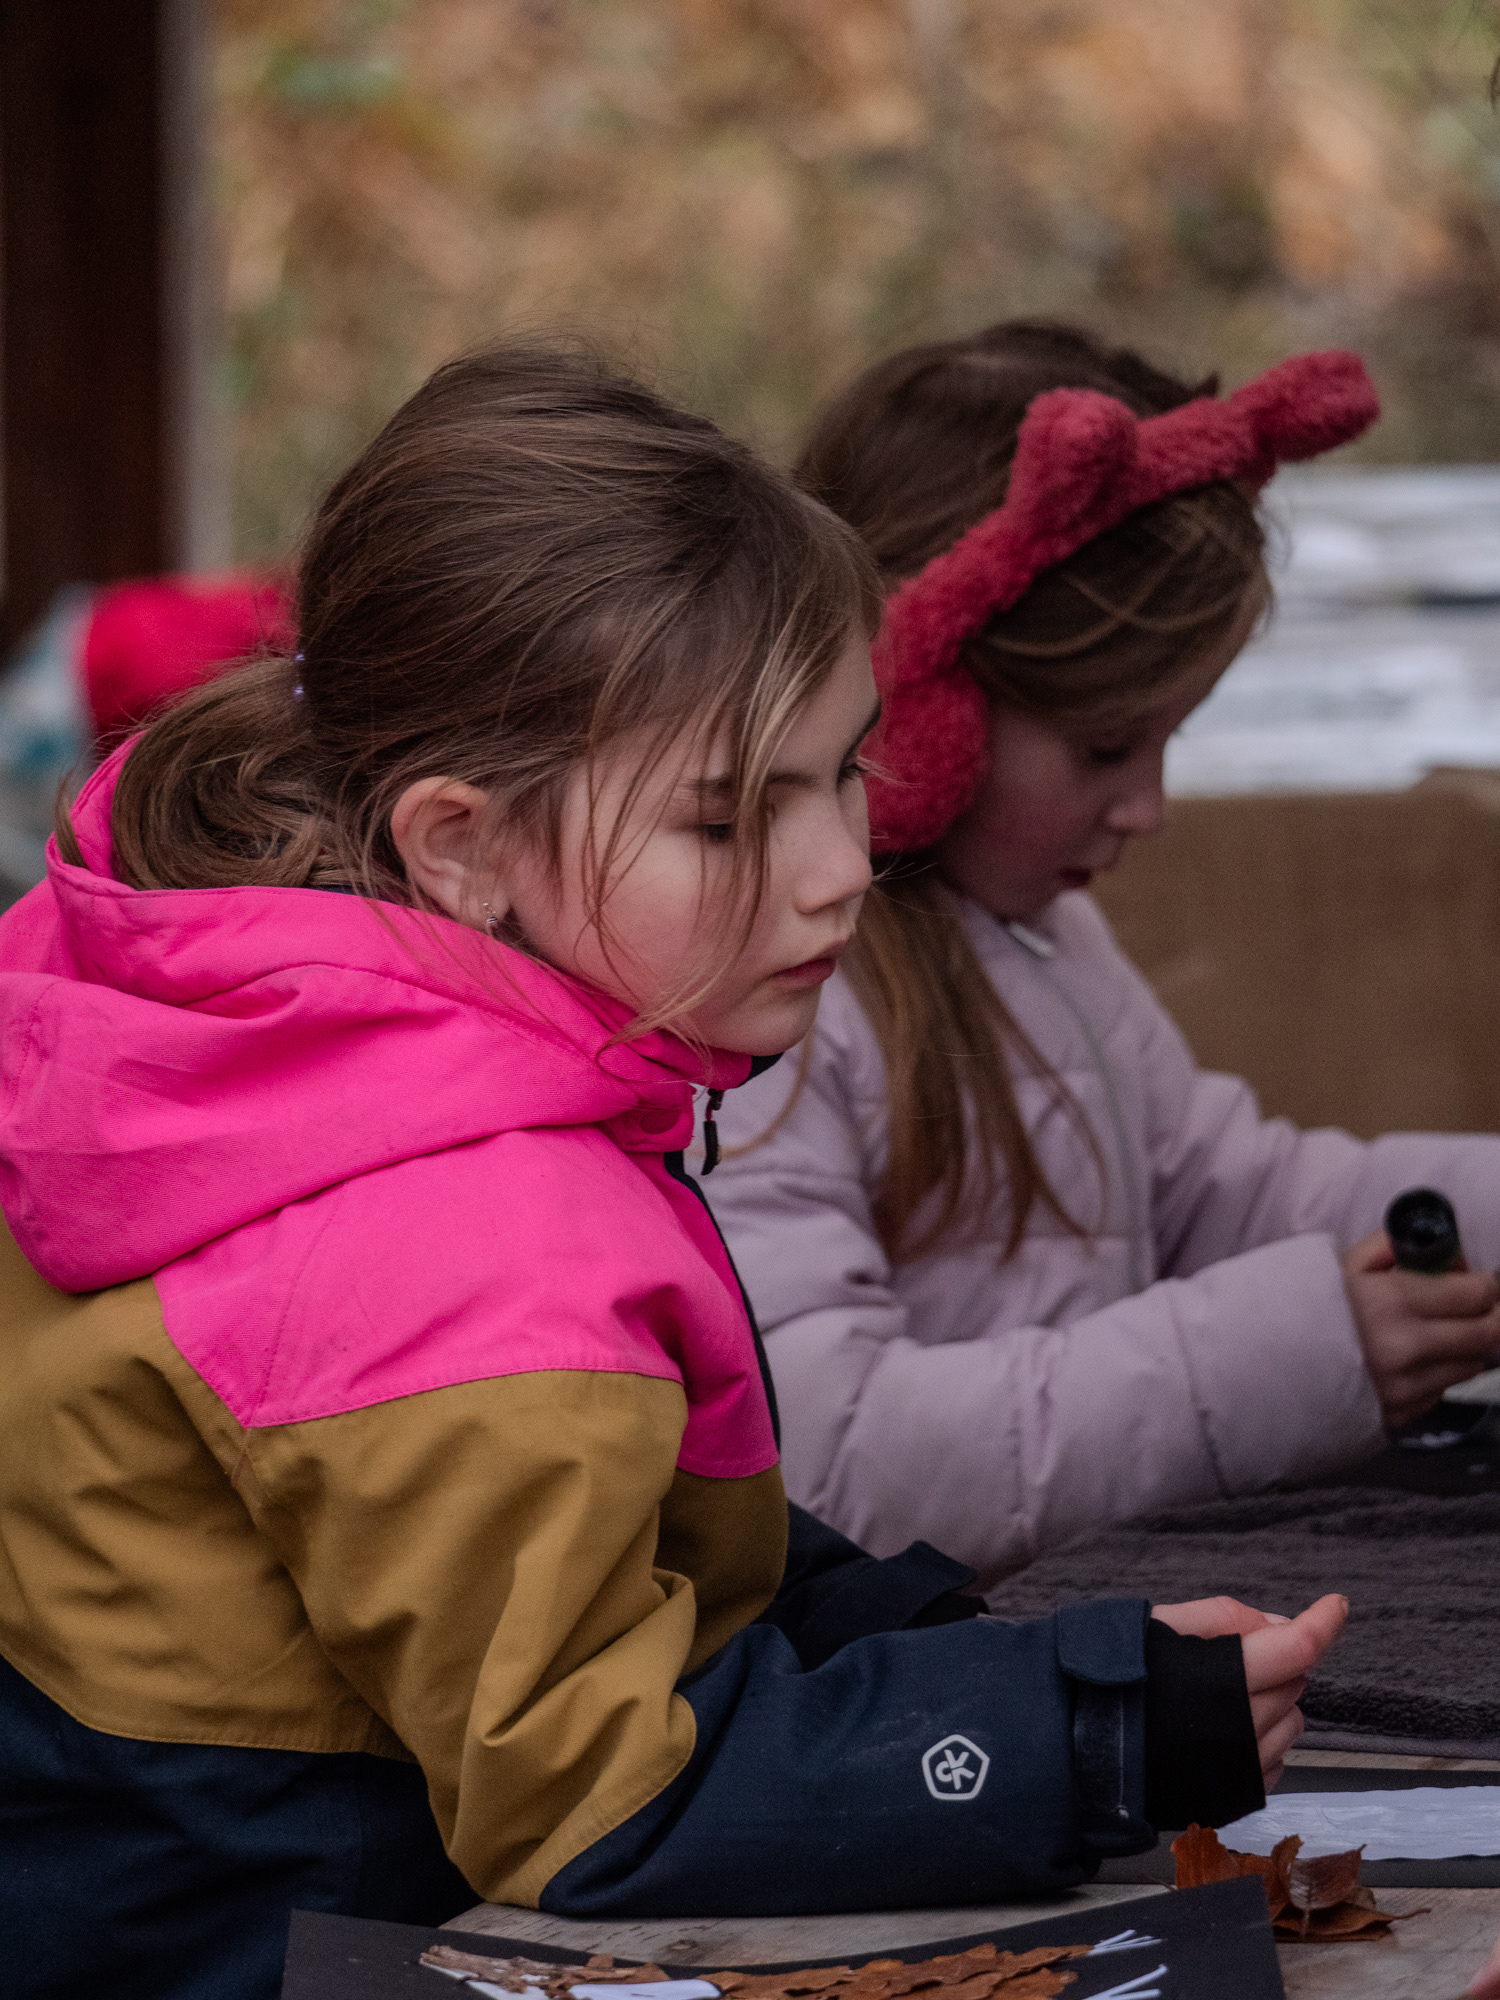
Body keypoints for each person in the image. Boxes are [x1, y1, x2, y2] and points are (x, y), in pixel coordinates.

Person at [0, 344, 1343, 2000]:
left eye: (846, 771)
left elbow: (653, 1528)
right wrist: (1088, 1732)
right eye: (729, 820)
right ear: (459, 844)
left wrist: (976, 1659)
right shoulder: (454, 1231)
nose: (843, 865)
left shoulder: (292, 1028)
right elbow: (601, 1809)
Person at [706, 322, 1500, 1591]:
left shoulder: (1045, 938)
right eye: (1106, 748)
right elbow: (834, 1463)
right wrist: (1306, 1354)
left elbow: (1225, 1195)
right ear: (917, 706)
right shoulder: (766, 1019)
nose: (1150, 808)